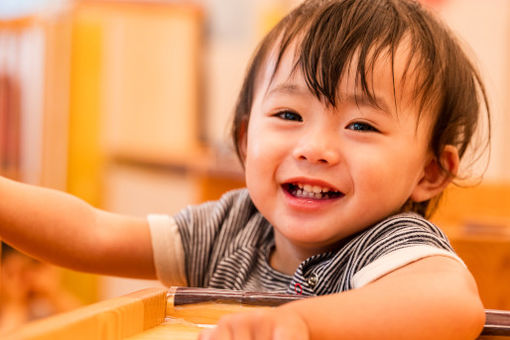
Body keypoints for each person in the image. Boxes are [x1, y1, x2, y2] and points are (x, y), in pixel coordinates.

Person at [0, 0, 491, 338]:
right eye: (289, 115)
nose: (316, 148)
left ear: (430, 172)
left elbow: (452, 305)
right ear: (242, 139)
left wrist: (304, 324)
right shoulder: (234, 228)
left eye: (361, 125)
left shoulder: (391, 244)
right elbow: (94, 235)